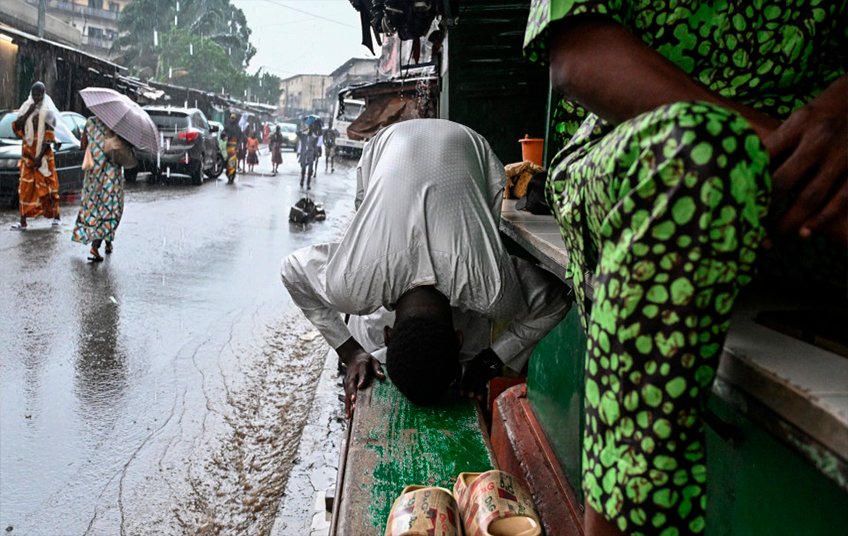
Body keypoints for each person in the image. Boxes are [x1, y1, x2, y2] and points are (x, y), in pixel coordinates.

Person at [524, 2, 847, 535]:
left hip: (825, 164)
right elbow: (578, 55)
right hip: (656, 150)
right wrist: (781, 155)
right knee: (701, 159)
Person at [282, 118, 572, 418]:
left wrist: (351, 351)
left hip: (435, 141)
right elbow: (292, 270)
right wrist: (351, 351)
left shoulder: (491, 288)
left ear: (387, 336)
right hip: (454, 139)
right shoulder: (356, 282)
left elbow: (559, 298)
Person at [9, 82, 65, 230]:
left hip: (44, 157)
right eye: (34, 94)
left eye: (39, 94)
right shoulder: (25, 107)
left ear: (44, 94)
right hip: (28, 156)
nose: (37, 97)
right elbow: (17, 127)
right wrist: (29, 112)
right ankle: (23, 221)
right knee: (25, 188)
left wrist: (39, 158)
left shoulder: (48, 112)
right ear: (31, 93)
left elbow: (49, 138)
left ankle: (56, 216)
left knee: (49, 188)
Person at [72, 116, 126, 262]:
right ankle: (96, 246)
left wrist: (94, 143)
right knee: (111, 208)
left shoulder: (89, 122)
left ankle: (106, 242)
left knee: (92, 207)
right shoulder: (116, 123)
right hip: (110, 174)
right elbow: (121, 147)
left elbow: (83, 145)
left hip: (93, 173)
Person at [296, 122, 319, 189]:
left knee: (310, 171)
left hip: (310, 155)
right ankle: (302, 181)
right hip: (304, 154)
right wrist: (303, 130)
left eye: (312, 129)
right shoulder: (303, 136)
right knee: (303, 169)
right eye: (310, 128)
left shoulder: (314, 138)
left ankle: (308, 184)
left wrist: (315, 154)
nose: (310, 130)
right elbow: (297, 133)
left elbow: (315, 147)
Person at [223, 113, 242, 183]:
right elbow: (223, 134)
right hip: (228, 146)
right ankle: (228, 175)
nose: (232, 119)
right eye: (231, 118)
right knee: (228, 162)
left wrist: (238, 146)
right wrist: (223, 136)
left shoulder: (238, 128)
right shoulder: (227, 127)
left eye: (233, 118)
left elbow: (240, 138)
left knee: (233, 162)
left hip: (234, 147)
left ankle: (232, 176)